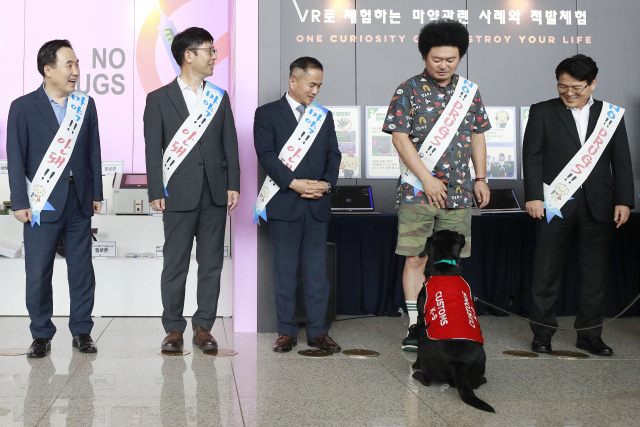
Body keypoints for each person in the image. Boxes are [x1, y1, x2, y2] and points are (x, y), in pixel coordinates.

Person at [382, 20, 491, 352]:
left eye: (451, 60)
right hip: (417, 190)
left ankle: (446, 319)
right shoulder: (408, 90)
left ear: (460, 57)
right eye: (436, 60)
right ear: (424, 56)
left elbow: (477, 135)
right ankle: (415, 324)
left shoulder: (469, 93)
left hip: (458, 192)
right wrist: (427, 179)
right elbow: (400, 140)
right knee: (415, 258)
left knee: (450, 261)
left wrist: (481, 177)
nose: (443, 66)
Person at [523, 54, 634, 356]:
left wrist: (624, 200)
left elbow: (621, 161)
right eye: (562, 87)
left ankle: (589, 335)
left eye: (577, 88)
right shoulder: (543, 111)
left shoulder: (610, 115)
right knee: (545, 272)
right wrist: (533, 195)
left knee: (595, 274)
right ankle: (542, 334)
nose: (569, 93)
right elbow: (531, 156)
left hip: (599, 204)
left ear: (592, 83)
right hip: (554, 203)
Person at [144, 27, 240, 352]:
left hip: (215, 194)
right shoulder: (158, 99)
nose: (215, 56)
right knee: (175, 263)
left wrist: (233, 185)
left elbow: (230, 144)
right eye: (209, 51)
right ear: (189, 55)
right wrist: (155, 188)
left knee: (211, 263)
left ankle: (204, 327)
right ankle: (173, 329)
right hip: (177, 194)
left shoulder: (219, 97)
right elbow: (152, 148)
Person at [6, 39, 103, 358]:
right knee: (37, 271)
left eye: (77, 64)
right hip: (40, 202)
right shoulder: (22, 106)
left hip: (78, 201)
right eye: (69, 65)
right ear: (48, 70)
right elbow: (16, 157)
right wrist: (19, 200)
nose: (76, 71)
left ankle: (82, 331)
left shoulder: (85, 105)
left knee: (81, 270)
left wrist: (96, 193)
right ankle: (41, 334)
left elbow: (93, 153)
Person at [254, 57, 342, 352]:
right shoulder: (267, 114)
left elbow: (334, 155)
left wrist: (325, 185)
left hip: (317, 204)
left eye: (319, 85)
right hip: (285, 204)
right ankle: (286, 331)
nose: (316, 90)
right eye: (311, 84)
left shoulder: (323, 116)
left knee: (318, 272)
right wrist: (293, 183)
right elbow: (265, 155)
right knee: (285, 270)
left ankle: (318, 331)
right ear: (293, 81)